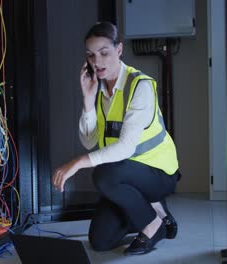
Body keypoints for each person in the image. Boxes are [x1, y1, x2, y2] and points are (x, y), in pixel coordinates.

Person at [52, 21, 180, 255]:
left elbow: (125, 148)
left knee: (103, 174)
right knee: (100, 241)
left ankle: (153, 225)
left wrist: (77, 163)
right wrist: (88, 101)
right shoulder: (99, 90)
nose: (97, 62)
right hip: (124, 176)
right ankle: (156, 211)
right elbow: (90, 142)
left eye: (104, 53)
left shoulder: (140, 86)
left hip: (158, 172)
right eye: (91, 55)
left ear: (119, 50)